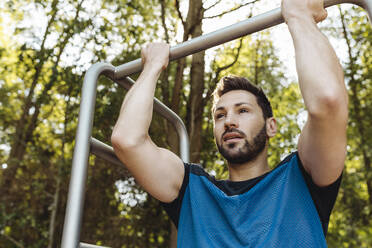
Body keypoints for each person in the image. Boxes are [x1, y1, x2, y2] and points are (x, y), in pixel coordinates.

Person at [111, 0, 348, 246]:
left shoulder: (302, 176)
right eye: (220, 115)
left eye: (243, 110)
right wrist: (152, 67)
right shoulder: (191, 189)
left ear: (271, 126)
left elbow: (328, 102)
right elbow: (127, 140)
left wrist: (299, 16)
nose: (229, 122)